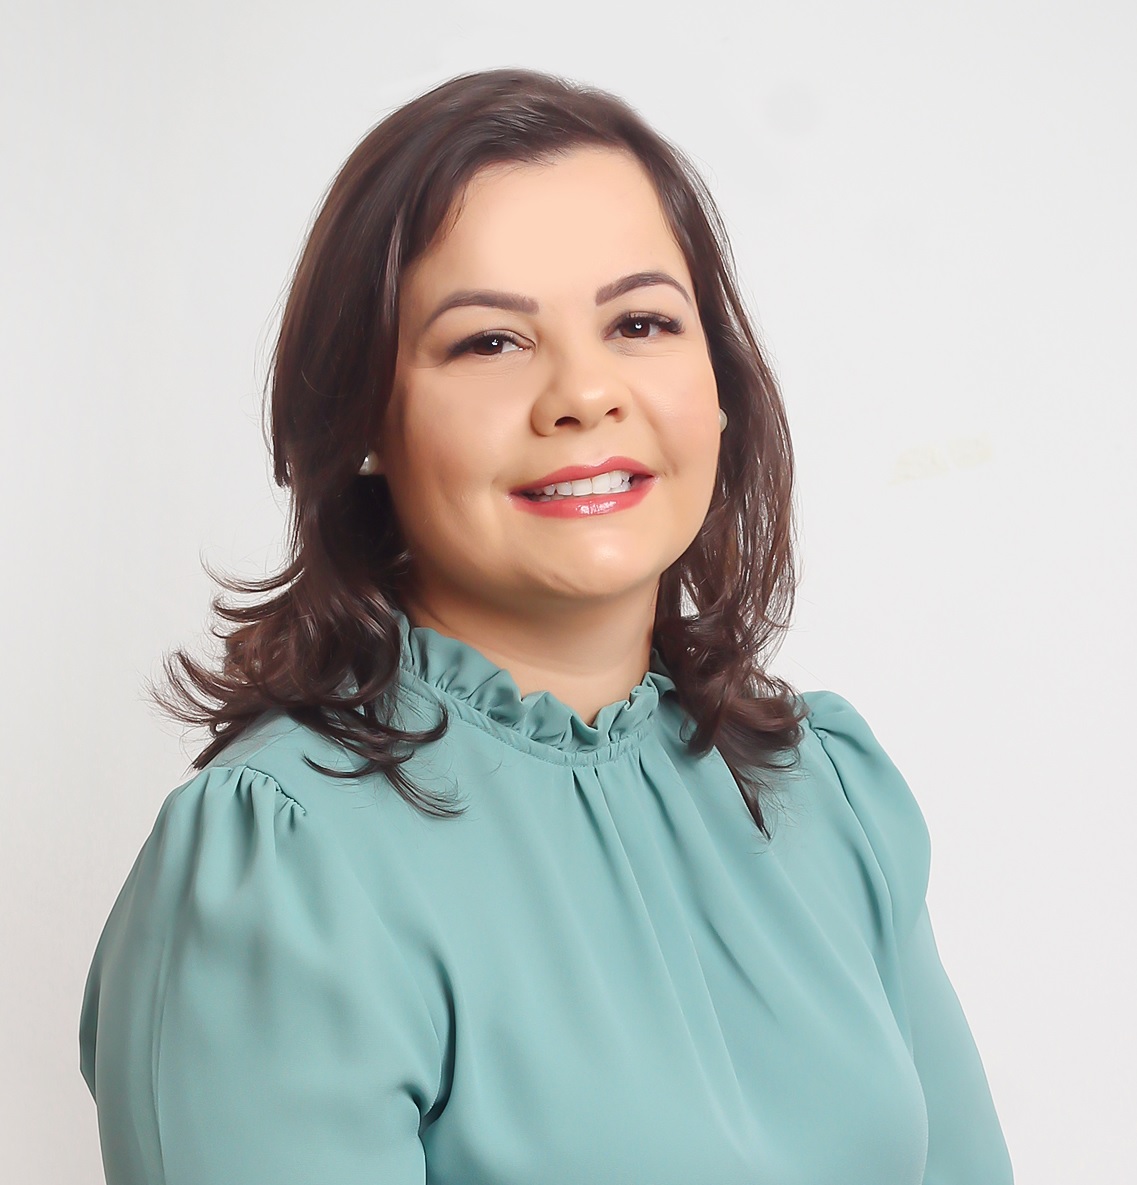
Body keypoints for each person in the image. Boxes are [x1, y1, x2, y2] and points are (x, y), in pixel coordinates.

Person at [79, 68, 1014, 1184]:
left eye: (640, 322)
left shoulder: (827, 791)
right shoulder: (284, 867)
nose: (585, 392)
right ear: (364, 416)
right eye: (490, 342)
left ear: (718, 385)